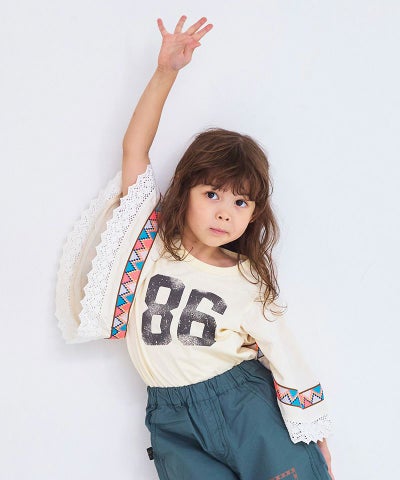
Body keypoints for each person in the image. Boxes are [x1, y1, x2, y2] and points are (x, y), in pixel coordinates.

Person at [56, 15, 334, 480]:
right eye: (212, 194)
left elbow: (284, 353)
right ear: (184, 191)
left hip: (245, 407)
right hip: (172, 418)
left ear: (254, 213)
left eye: (240, 202)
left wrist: (313, 430)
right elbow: (134, 150)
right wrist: (166, 71)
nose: (225, 212)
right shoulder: (148, 246)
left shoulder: (247, 278)